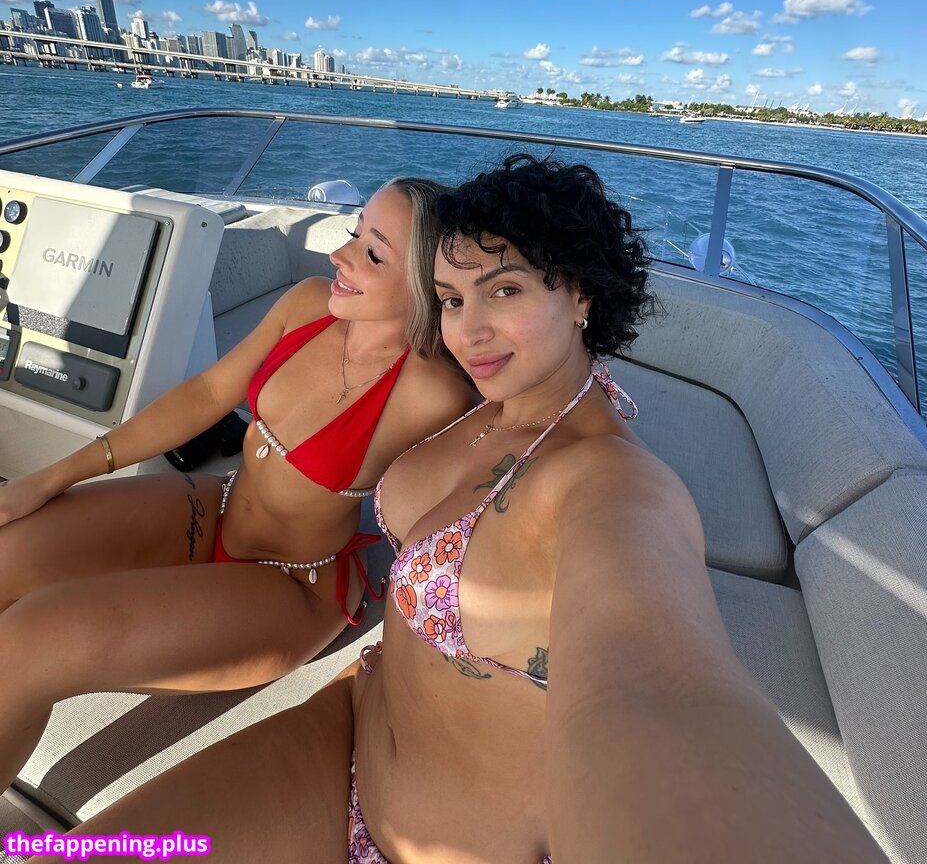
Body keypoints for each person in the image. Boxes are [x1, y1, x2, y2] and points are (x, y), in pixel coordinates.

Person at [30, 155, 886, 863]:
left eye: (504, 290)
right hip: (346, 727)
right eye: (450, 297)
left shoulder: (609, 481)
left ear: (580, 293)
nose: (469, 330)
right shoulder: (482, 409)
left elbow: (663, 690)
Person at [0, 177, 473, 797]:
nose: (339, 255)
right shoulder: (308, 304)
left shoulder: (434, 395)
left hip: (290, 584)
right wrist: (50, 478)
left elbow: (458, 528)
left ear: (432, 288)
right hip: (216, 507)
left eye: (373, 253)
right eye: (354, 232)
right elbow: (207, 393)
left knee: (27, 642)